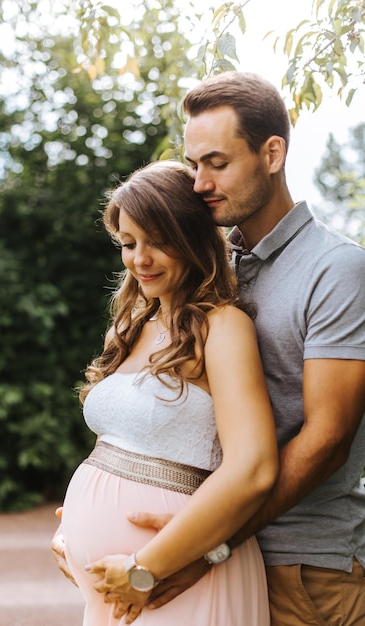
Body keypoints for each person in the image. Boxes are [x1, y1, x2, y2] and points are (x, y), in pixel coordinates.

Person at [122, 72, 365, 625]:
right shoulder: (214, 267)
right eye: (193, 164)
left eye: (218, 163)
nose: (199, 182)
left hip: (301, 568)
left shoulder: (337, 269)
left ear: (272, 153)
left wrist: (213, 543)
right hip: (205, 553)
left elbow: (328, 438)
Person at [54, 159, 279, 625]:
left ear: (193, 238)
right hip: (114, 587)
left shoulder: (224, 327)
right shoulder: (136, 326)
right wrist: (72, 530)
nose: (141, 259)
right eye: (129, 243)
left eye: (158, 241)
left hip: (174, 577)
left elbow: (253, 468)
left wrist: (144, 567)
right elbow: (121, 445)